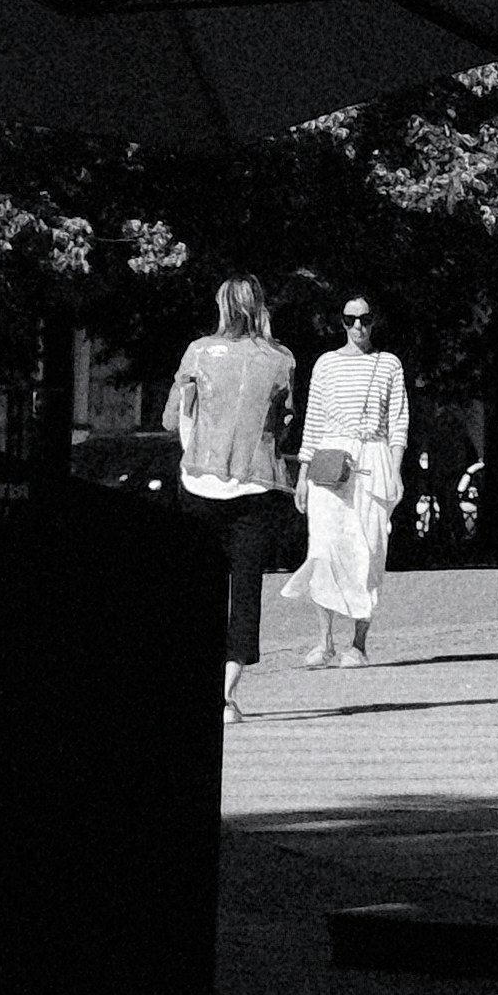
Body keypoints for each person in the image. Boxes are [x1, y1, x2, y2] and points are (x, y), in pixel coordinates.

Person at [167, 276, 300, 712]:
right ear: (260, 306)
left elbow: (172, 419)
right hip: (258, 483)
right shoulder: (281, 359)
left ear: (221, 306)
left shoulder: (198, 352)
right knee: (244, 591)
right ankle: (226, 695)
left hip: (199, 481)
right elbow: (284, 425)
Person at [295, 296, 407, 663]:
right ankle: (324, 639)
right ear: (340, 322)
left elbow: (397, 423)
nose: (358, 327)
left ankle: (358, 642)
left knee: (369, 548)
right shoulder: (325, 364)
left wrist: (395, 469)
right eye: (349, 319)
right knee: (324, 549)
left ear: (375, 321)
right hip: (330, 459)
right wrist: (302, 473)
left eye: (365, 319)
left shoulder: (388, 363)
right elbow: (313, 421)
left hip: (373, 459)